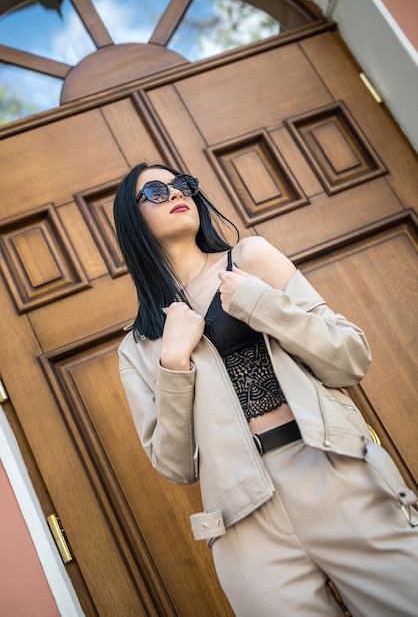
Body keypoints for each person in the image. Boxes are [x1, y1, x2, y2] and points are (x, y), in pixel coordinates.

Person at [113, 161, 418, 617]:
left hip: (330, 469)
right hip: (241, 517)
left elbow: (350, 357)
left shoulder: (251, 259)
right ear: (132, 221)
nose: (176, 193)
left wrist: (259, 303)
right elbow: (176, 465)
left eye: (183, 185)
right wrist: (173, 364)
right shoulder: (138, 346)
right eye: (155, 192)